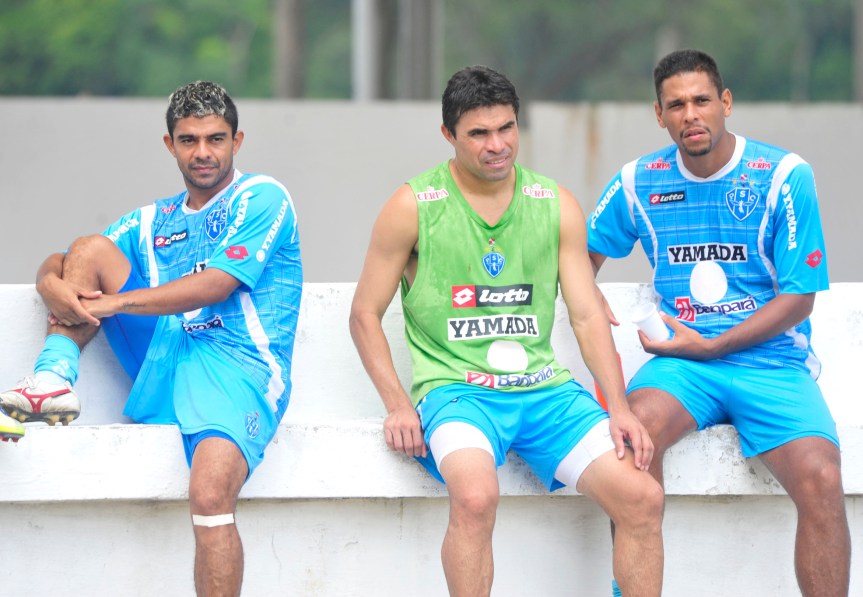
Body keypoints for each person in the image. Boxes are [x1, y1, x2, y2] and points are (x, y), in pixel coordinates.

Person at [350, 65, 663, 597]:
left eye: (506, 128)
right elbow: (363, 314)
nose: (497, 145)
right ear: (448, 134)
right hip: (457, 392)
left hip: (545, 391)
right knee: (475, 498)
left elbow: (587, 315)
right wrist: (398, 404)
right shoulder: (413, 205)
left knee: (642, 498)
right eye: (479, 133)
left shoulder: (555, 203)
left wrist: (619, 406)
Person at [0, 81, 303, 597]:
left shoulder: (262, 196)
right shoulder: (153, 219)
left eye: (215, 138)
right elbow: (71, 258)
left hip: (238, 369)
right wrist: (49, 282)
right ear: (170, 145)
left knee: (210, 497)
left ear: (237, 140)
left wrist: (113, 304)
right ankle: (51, 379)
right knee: (89, 248)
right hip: (164, 358)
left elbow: (217, 284)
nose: (203, 152)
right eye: (189, 140)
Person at [587, 49, 850, 596]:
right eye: (676, 105)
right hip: (683, 367)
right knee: (631, 442)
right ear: (659, 114)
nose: (691, 114)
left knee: (822, 477)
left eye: (702, 100)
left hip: (771, 361)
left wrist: (715, 345)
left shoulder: (783, 175)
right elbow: (579, 256)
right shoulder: (639, 180)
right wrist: (584, 292)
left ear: (725, 102)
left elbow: (800, 299)